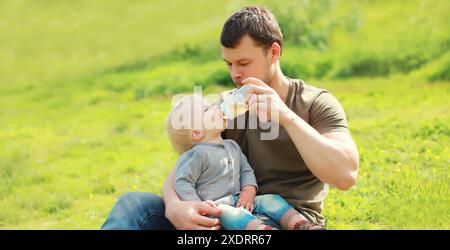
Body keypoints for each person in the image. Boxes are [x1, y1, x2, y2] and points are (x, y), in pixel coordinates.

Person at [101, 6, 359, 230]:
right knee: (133, 205)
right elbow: (186, 162)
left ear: (274, 52)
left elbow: (345, 175)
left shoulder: (314, 103)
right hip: (223, 214)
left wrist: (286, 117)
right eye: (229, 64)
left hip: (284, 219)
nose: (235, 74)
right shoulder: (227, 106)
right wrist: (174, 206)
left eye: (243, 63)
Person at [166, 95, 323, 230]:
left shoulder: (232, 146)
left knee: (271, 200)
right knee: (233, 215)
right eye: (207, 109)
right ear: (197, 132)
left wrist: (249, 190)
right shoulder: (196, 155)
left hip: (239, 199)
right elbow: (183, 181)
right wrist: (197, 205)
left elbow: (245, 171)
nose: (216, 107)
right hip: (217, 207)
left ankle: (300, 224)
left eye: (213, 104)